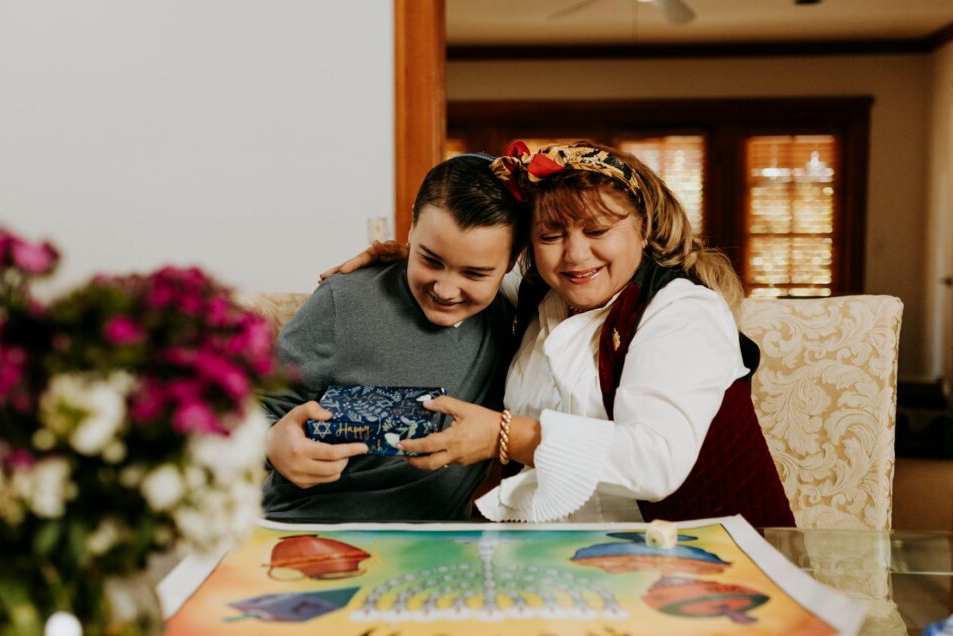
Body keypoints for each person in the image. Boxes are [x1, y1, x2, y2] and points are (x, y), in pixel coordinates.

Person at [337, 141, 795, 528]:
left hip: (701, 566)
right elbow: (476, 272)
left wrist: (506, 435)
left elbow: (656, 462)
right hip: (569, 559)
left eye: (597, 230)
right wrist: (412, 255)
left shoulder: (682, 311)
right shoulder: (540, 296)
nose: (576, 255)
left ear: (643, 228)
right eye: (551, 234)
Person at [260, 153, 526, 522]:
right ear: (411, 228)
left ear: (511, 263)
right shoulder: (343, 300)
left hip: (434, 545)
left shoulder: (516, 321)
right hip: (305, 527)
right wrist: (272, 444)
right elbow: (249, 411)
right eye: (430, 260)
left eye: (474, 274)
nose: (446, 290)